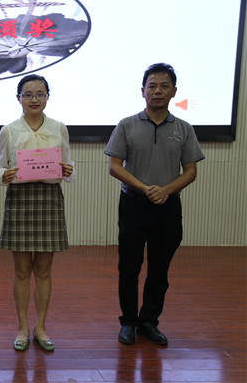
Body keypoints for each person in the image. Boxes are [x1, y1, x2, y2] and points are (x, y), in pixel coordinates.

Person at [104, 63, 205, 345]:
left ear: (174, 91)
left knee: (160, 269)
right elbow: (115, 166)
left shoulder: (184, 129)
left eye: (164, 86)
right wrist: (145, 188)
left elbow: (191, 171)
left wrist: (166, 191)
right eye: (152, 86)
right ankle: (128, 322)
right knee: (129, 267)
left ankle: (149, 320)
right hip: (134, 204)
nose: (157, 91)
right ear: (142, 91)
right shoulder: (127, 125)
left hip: (168, 206)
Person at [0, 74, 75, 352]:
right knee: (22, 270)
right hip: (21, 200)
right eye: (28, 94)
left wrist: (68, 170)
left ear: (48, 96)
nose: (34, 99)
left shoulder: (59, 128)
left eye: (40, 94)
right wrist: (5, 175)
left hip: (49, 199)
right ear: (19, 98)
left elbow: (68, 166)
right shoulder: (9, 130)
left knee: (44, 270)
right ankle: (22, 327)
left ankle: (41, 327)